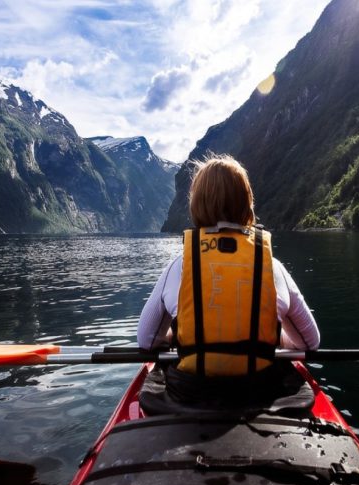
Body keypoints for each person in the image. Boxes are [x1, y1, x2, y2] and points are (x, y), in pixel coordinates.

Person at [136, 155, 320, 414]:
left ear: (197, 205)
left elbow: (146, 340)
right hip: (258, 392)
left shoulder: (179, 266)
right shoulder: (271, 266)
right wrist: (272, 336)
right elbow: (309, 343)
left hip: (192, 394)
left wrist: (179, 336)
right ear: (247, 204)